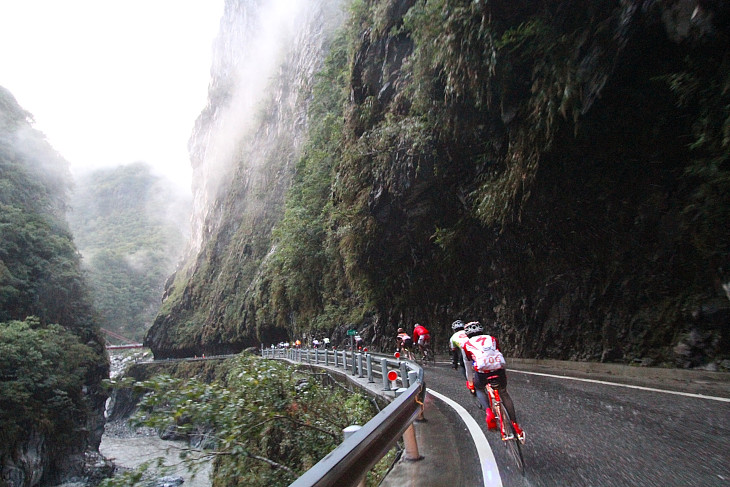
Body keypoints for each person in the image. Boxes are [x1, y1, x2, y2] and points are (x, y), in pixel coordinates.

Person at [462, 321, 524, 442]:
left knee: (479, 388)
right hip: (498, 369)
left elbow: (467, 364)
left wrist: (470, 381)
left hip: (483, 372)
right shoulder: (492, 338)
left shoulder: (466, 344)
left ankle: (489, 412)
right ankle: (515, 426)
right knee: (504, 393)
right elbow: (497, 352)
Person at [449, 320, 475, 394]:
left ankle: (470, 383)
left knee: (463, 365)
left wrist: (455, 364)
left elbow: (454, 353)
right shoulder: (469, 331)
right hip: (477, 349)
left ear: (454, 330)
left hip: (465, 352)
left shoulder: (453, 337)